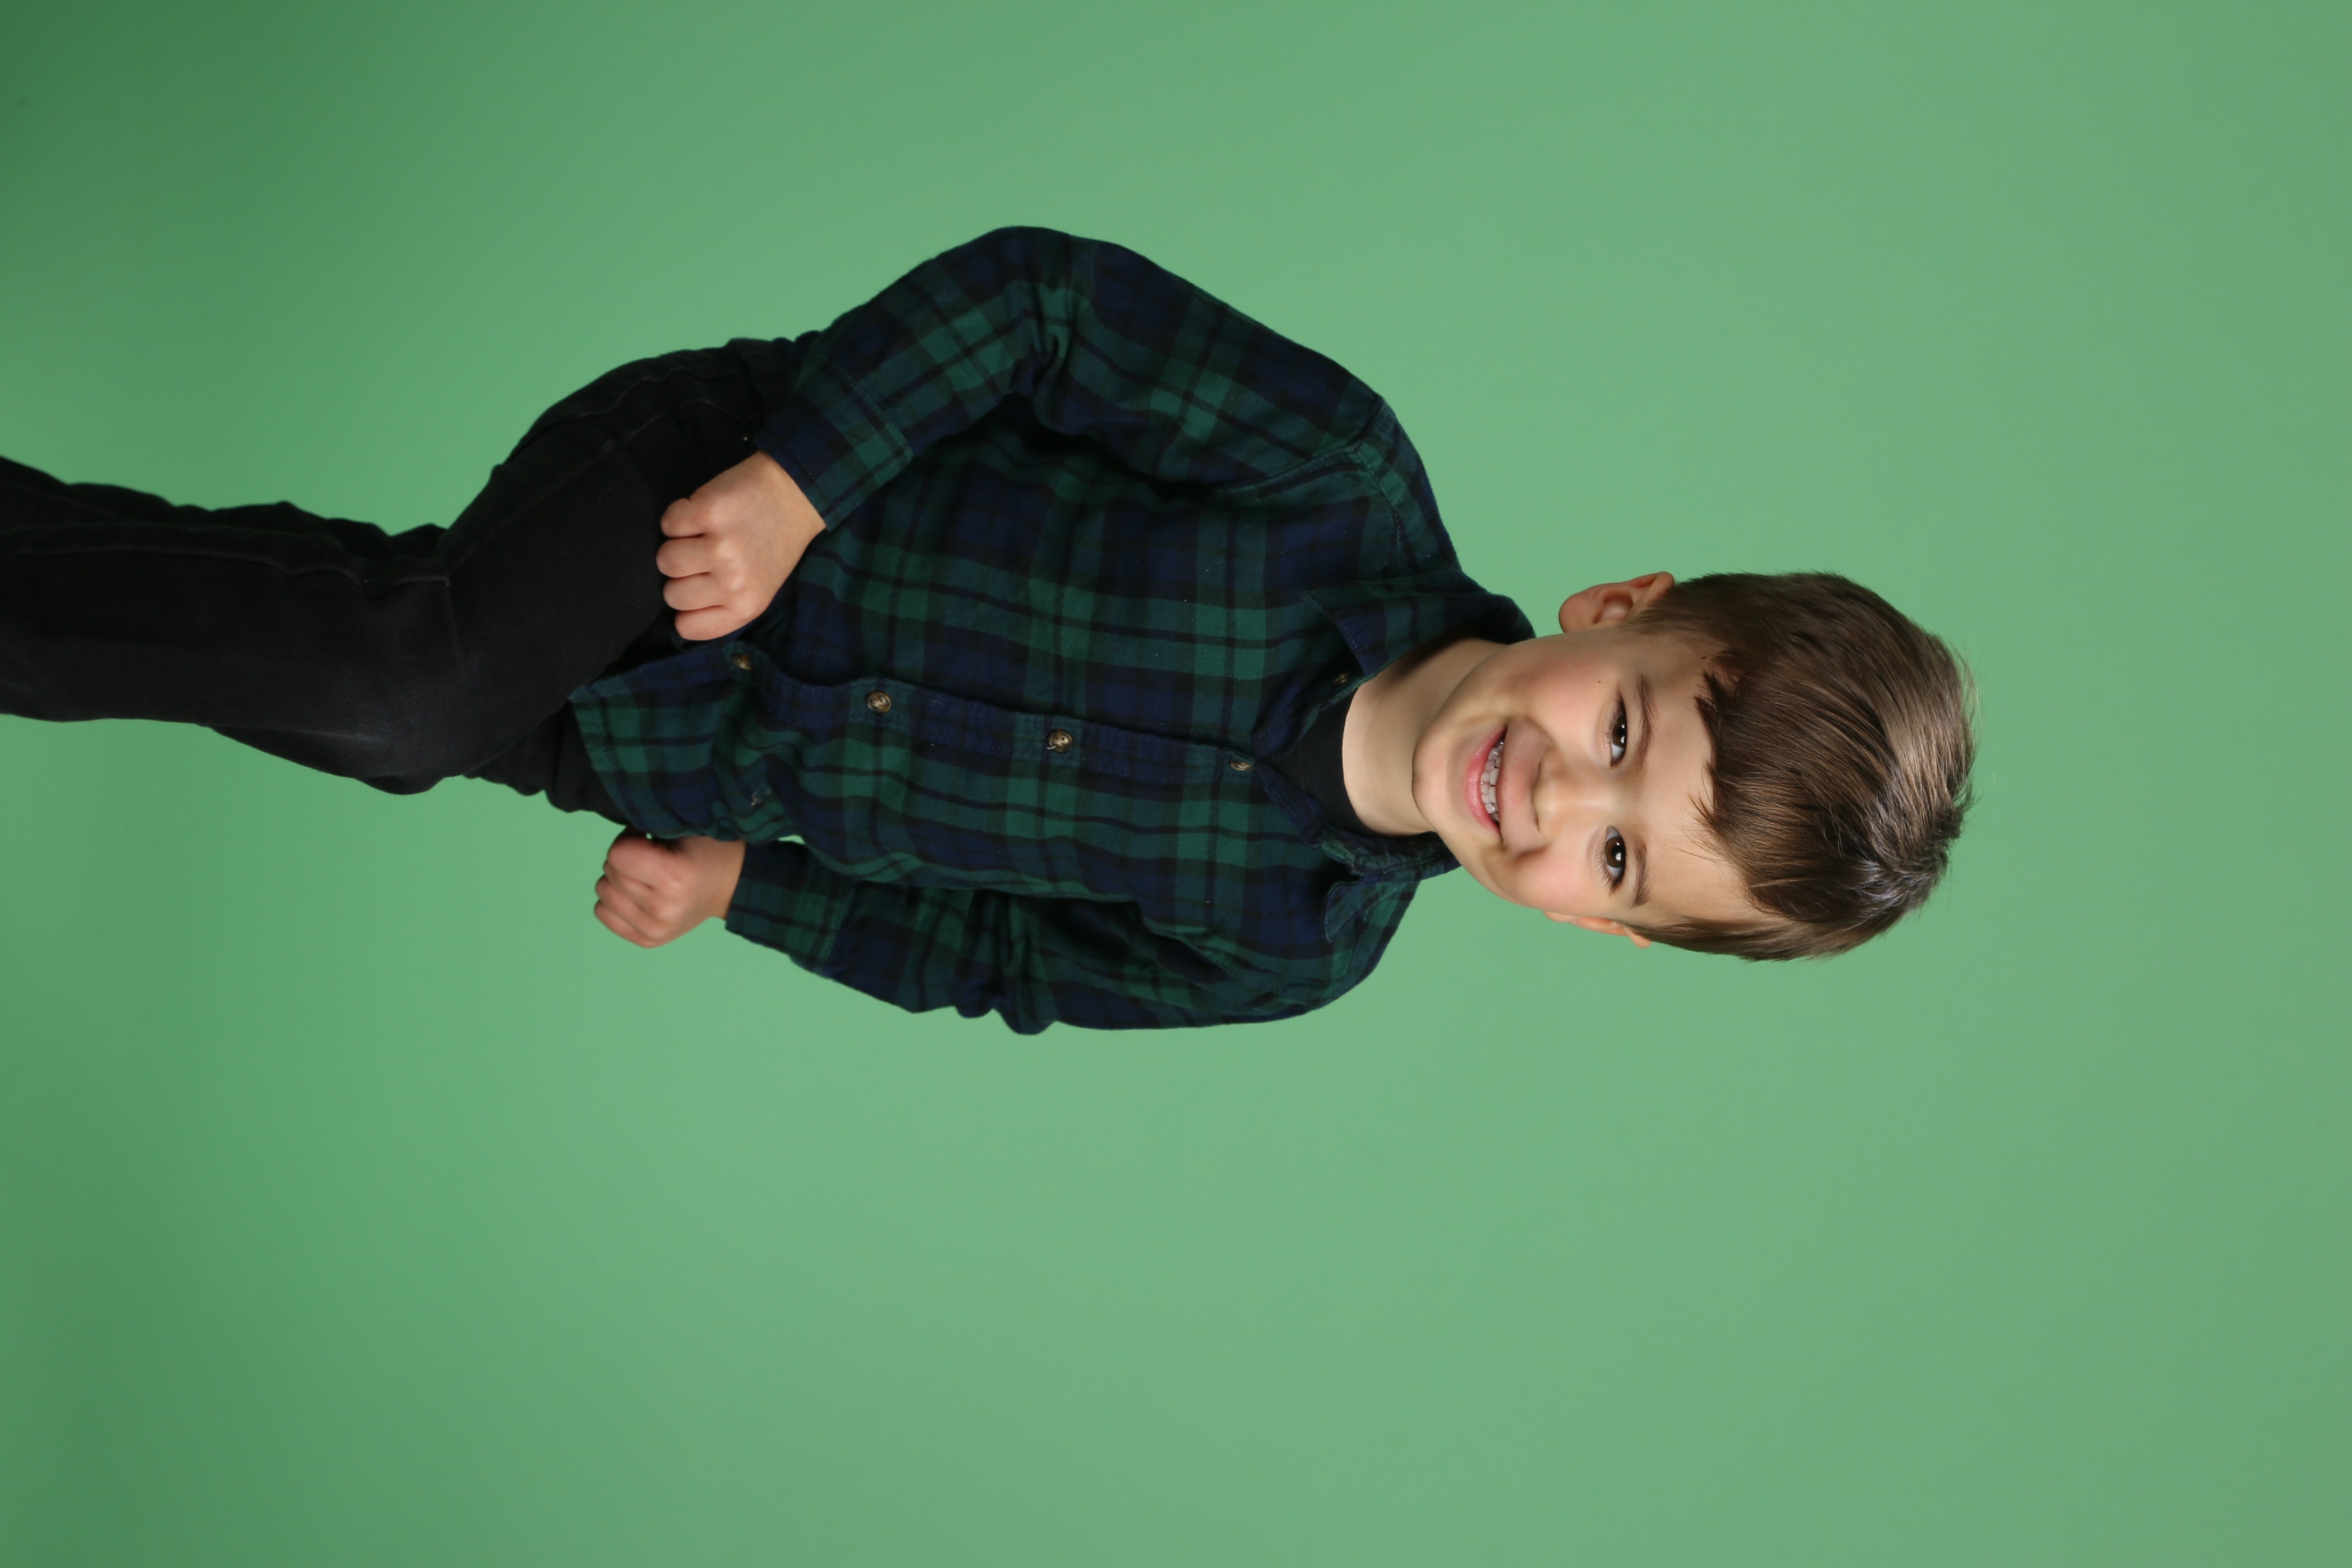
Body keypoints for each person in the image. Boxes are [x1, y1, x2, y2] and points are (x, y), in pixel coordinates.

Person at [0, 228, 1973, 1033]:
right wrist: (799, 480)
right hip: (717, 490)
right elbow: (1044, 309)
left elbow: (999, 957)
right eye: (1623, 731)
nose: (1557, 800)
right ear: (1619, 612)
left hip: (670, 747)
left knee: (359, 654)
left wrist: (746, 888)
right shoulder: (1335, 479)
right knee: (396, 687)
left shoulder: (1293, 946)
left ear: (1607, 930)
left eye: (1620, 861)